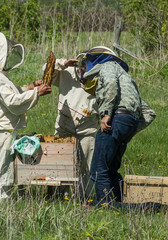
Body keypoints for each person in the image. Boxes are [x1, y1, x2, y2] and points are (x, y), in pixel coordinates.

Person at [0, 32, 52, 201]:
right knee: (3, 167)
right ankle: (0, 199)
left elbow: (6, 94)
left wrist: (30, 87)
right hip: (2, 129)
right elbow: (12, 101)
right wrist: (36, 93)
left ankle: (3, 197)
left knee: (3, 165)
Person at [78, 46, 156, 206]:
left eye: (86, 63)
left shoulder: (108, 66)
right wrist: (129, 130)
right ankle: (119, 205)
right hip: (128, 122)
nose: (84, 67)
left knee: (98, 170)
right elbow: (149, 113)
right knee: (111, 171)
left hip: (115, 119)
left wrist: (107, 114)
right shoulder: (126, 81)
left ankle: (105, 207)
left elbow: (111, 84)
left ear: (96, 59)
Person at [43, 57, 99, 201]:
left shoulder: (100, 81)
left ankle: (84, 197)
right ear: (80, 66)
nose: (85, 71)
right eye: (84, 67)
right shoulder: (67, 72)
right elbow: (46, 71)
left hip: (87, 131)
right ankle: (59, 196)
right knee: (59, 164)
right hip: (64, 128)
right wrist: (62, 63)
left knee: (86, 165)